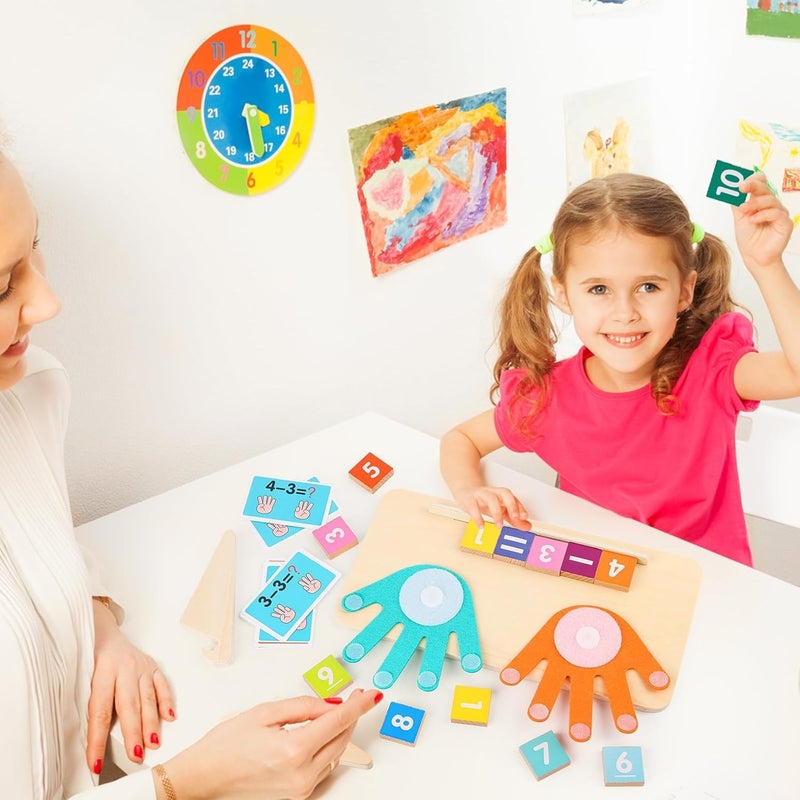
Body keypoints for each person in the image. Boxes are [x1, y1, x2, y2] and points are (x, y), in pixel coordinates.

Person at [0, 149, 383, 799]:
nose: (51, 302)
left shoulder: (27, 388)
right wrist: (193, 781)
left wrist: (96, 628)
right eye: (4, 283)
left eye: (36, 250)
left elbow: (35, 541)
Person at [440, 171, 798, 566]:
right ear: (563, 294)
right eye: (598, 290)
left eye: (648, 287)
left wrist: (766, 265)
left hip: (706, 585)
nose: (625, 313)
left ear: (684, 290)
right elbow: (461, 440)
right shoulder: (546, 397)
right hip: (596, 579)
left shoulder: (714, 371)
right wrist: (469, 489)